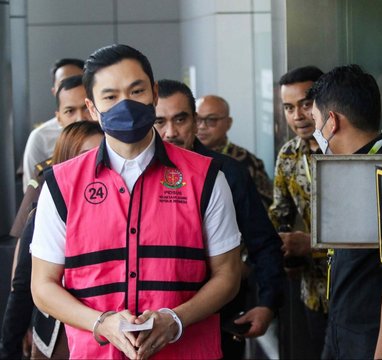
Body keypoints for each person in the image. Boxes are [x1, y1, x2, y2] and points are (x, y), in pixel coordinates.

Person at [30, 44, 241, 360]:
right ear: (91, 107)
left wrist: (175, 320)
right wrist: (101, 324)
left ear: (154, 93)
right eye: (110, 97)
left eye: (136, 91)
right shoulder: (61, 184)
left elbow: (228, 275)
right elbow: (43, 285)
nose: (125, 105)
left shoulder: (206, 177)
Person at [154, 79, 285, 360]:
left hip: (221, 316)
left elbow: (263, 242)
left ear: (194, 120)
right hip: (151, 322)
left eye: (180, 119)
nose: (170, 132)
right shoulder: (137, 175)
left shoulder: (226, 173)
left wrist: (267, 303)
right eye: (159, 122)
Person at [307, 64, 382, 359]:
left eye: (315, 121)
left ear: (332, 121)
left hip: (371, 338)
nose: (315, 133)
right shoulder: (348, 169)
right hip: (341, 326)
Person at [0, 121, 104, 360]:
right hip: (59, 340)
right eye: (84, 157)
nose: (95, 164)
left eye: (102, 154)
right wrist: (9, 348)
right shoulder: (48, 212)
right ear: (67, 161)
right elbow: (24, 285)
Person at [268, 65, 327, 358]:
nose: (297, 116)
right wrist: (283, 249)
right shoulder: (289, 154)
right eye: (288, 108)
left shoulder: (349, 152)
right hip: (312, 291)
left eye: (305, 105)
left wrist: (310, 244)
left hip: (359, 293)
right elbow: (278, 214)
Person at [11, 75, 92, 240]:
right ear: (59, 119)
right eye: (70, 111)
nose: (80, 118)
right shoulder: (46, 175)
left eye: (85, 108)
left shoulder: (122, 160)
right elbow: (22, 242)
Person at [196, 95, 273, 207]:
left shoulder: (247, 162)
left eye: (211, 120)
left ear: (228, 123)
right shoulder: (185, 156)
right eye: (197, 120)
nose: (202, 126)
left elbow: (262, 209)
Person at [22, 58, 84, 191]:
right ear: (54, 91)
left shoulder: (110, 132)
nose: (80, 118)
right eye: (70, 111)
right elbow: (32, 190)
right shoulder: (40, 137)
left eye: (78, 80)